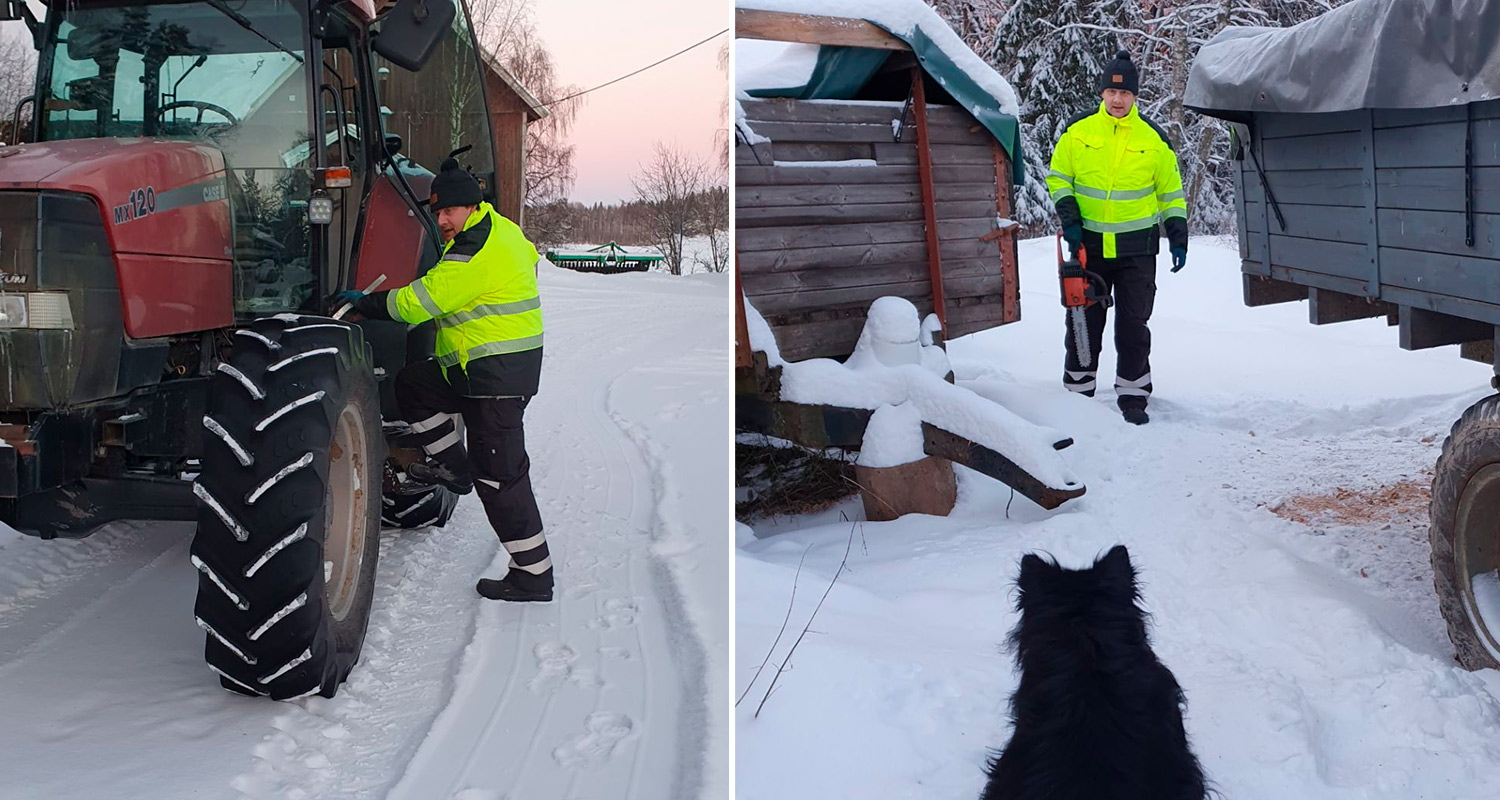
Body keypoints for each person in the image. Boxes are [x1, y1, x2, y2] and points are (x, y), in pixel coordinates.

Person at [340, 158, 552, 602]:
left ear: (471, 207)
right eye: (437, 213)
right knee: (414, 385)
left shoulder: (475, 248)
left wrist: (369, 304)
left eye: (448, 212)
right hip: (473, 370)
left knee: (501, 477)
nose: (441, 221)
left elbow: (421, 302)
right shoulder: (502, 230)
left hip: (497, 377)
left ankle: (533, 575)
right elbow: (527, 258)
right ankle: (455, 467)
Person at [1046, 50, 1188, 426]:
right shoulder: (1078, 133)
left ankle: (1133, 395)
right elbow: (1059, 178)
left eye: (1124, 93)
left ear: (1135, 96)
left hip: (1137, 250)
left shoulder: (1154, 139)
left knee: (1133, 324)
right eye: (1111, 91)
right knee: (1083, 321)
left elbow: (1170, 193)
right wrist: (1070, 221)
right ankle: (1078, 395)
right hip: (1088, 247)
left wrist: (1177, 234)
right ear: (1103, 92)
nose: (1117, 99)